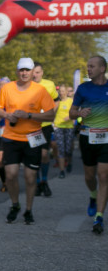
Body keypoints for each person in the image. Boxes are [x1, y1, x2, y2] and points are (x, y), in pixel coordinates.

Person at [0, 57, 56, 224]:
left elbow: (51, 114)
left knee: (30, 176)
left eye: (27, 70)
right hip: (11, 137)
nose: (24, 73)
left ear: (32, 71)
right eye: (21, 70)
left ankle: (28, 209)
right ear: (17, 71)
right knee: (11, 175)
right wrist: (7, 114)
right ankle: (15, 205)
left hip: (33, 137)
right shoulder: (7, 88)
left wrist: (28, 115)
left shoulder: (40, 90)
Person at [70, 55, 108, 234]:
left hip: (106, 138)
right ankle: (93, 196)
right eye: (87, 66)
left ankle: (99, 216)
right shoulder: (83, 88)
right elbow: (71, 113)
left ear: (102, 68)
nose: (88, 69)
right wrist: (79, 112)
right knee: (89, 176)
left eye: (92, 66)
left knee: (103, 175)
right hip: (87, 137)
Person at [31, 62, 60, 197]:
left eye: (37, 72)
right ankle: (37, 182)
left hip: (45, 126)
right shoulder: (26, 85)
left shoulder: (49, 84)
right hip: (31, 126)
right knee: (35, 154)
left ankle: (44, 181)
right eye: (33, 72)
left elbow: (57, 100)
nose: (35, 75)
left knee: (44, 154)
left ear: (42, 73)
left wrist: (51, 113)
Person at [53, 85, 75, 179]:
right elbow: (52, 112)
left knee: (68, 149)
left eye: (63, 91)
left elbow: (76, 113)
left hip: (69, 126)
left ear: (66, 92)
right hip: (58, 127)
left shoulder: (71, 101)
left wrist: (70, 117)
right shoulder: (57, 102)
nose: (61, 93)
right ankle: (62, 170)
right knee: (61, 149)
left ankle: (69, 162)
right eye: (60, 91)